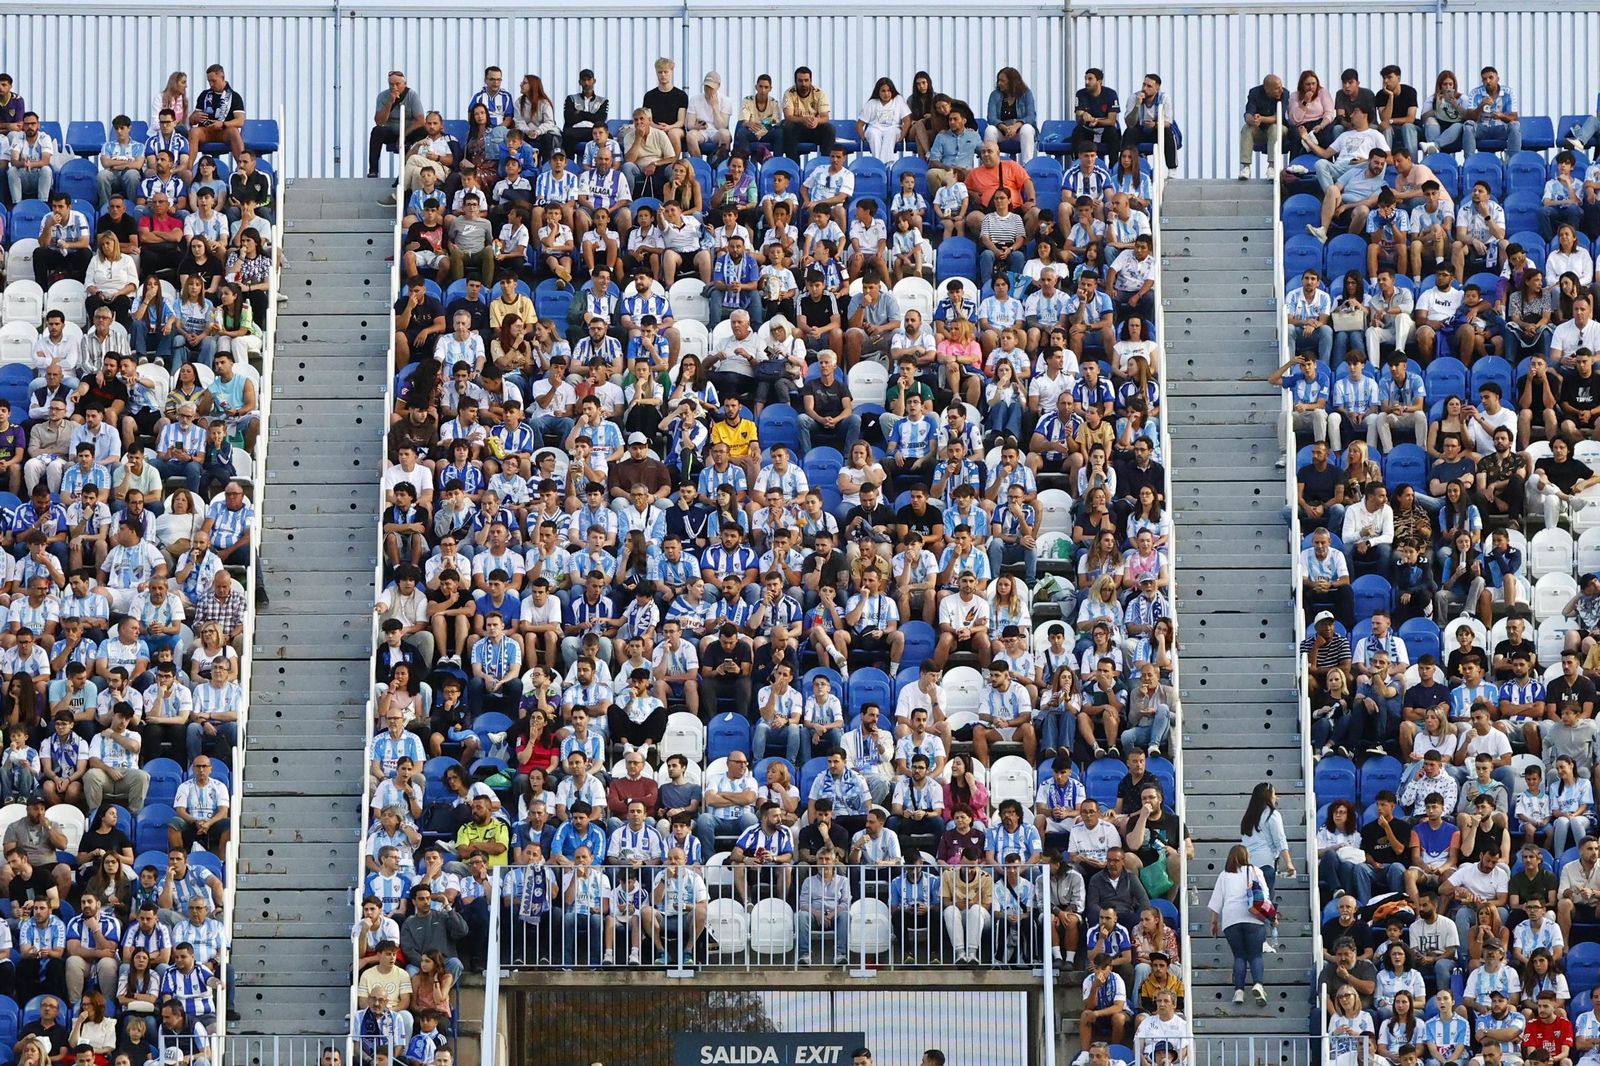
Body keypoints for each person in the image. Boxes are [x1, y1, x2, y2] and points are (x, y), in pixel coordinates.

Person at [1208, 843, 1269, 1006]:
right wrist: (1271, 915)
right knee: (1255, 954)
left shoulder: (1224, 875)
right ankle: (1258, 984)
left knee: (1239, 955)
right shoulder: (1255, 871)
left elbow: (1216, 901)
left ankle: (1239, 992)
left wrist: (1214, 922)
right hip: (1253, 917)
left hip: (1231, 920)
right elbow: (1265, 895)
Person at [370, 71, 427, 178]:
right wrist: (389, 103)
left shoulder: (412, 95)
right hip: (391, 131)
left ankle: (409, 169)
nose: (394, 87)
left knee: (422, 131)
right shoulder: (383, 96)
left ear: (404, 84)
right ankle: (373, 170)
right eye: (391, 84)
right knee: (377, 131)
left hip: (408, 131)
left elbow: (420, 120)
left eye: (397, 84)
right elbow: (379, 122)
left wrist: (403, 135)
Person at [1239, 75, 1286, 180]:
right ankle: (1246, 167)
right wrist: (1252, 120)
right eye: (1277, 88)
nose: (1281, 90)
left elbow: (1278, 117)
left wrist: (1261, 119)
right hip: (1261, 130)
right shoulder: (1254, 93)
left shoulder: (1284, 94)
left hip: (1281, 130)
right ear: (1267, 89)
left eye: (1281, 86)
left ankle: (1272, 167)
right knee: (1247, 128)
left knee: (1274, 128)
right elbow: (1248, 114)